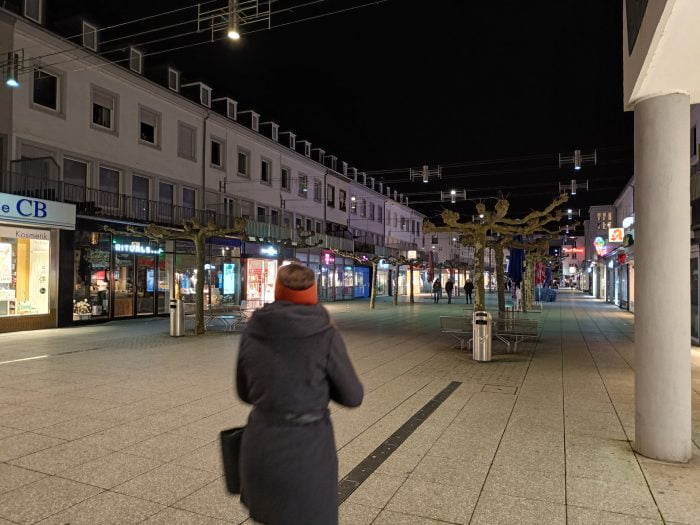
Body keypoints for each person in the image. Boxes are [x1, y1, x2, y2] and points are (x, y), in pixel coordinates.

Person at [236, 264, 363, 525]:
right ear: (313, 292)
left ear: (277, 291)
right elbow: (353, 396)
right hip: (308, 450)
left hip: (261, 445)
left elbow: (244, 392)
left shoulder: (254, 328)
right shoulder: (326, 333)